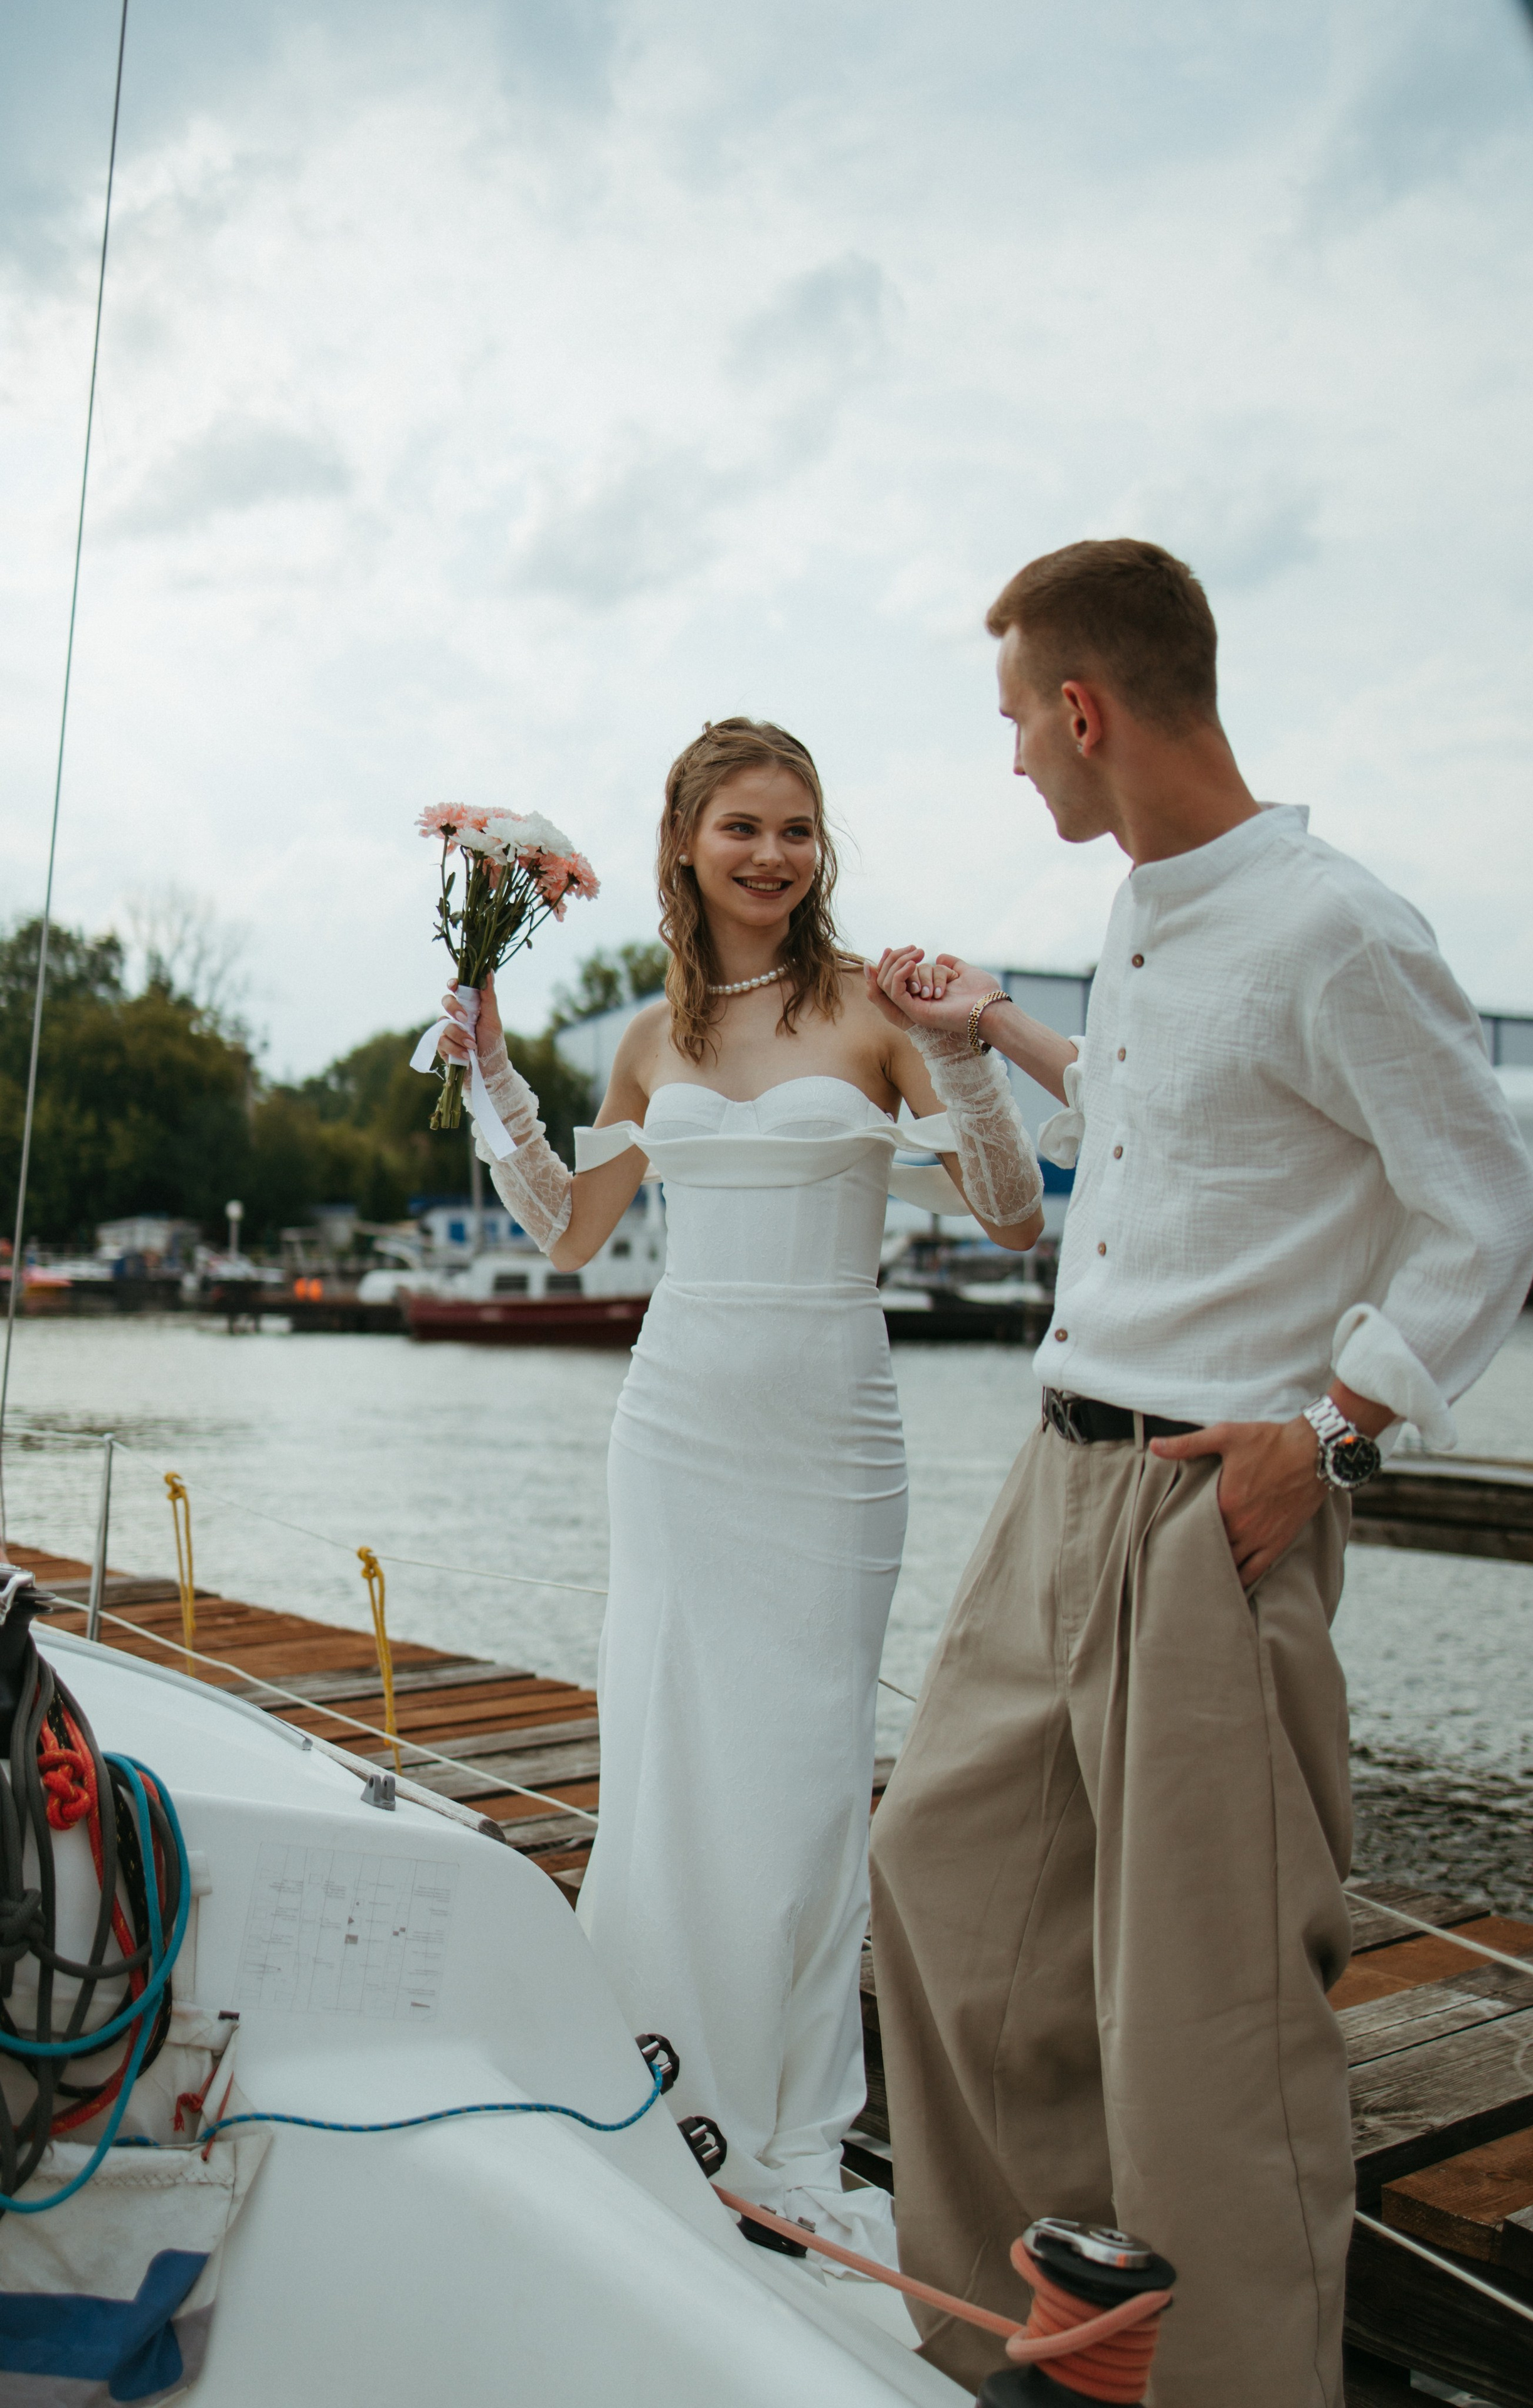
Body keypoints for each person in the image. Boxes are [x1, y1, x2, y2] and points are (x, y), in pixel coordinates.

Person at [863, 540, 1533, 2405]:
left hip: (1203, 1509)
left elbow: (1485, 1214)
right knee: (941, 1878)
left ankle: (1236, 2385)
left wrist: (1327, 1439)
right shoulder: (1145, 909)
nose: (1014, 761)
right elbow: (1167, 1119)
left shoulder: (1341, 928)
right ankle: (1050, 2335)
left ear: (1085, 711)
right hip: (1057, 1479)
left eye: (1018, 720)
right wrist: (989, 1026)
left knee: (1205, 2025)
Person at [433, 716, 1046, 2264]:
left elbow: (1011, 1216)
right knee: (666, 1746)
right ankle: (649, 2075)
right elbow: (571, 1235)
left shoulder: (874, 1006)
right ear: (684, 847)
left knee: (800, 1762)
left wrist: (966, 1047)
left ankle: (782, 2122)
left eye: (796, 828)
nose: (773, 854)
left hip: (831, 1438)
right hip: (680, 1421)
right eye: (742, 829)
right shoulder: (649, 1039)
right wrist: (495, 1072)